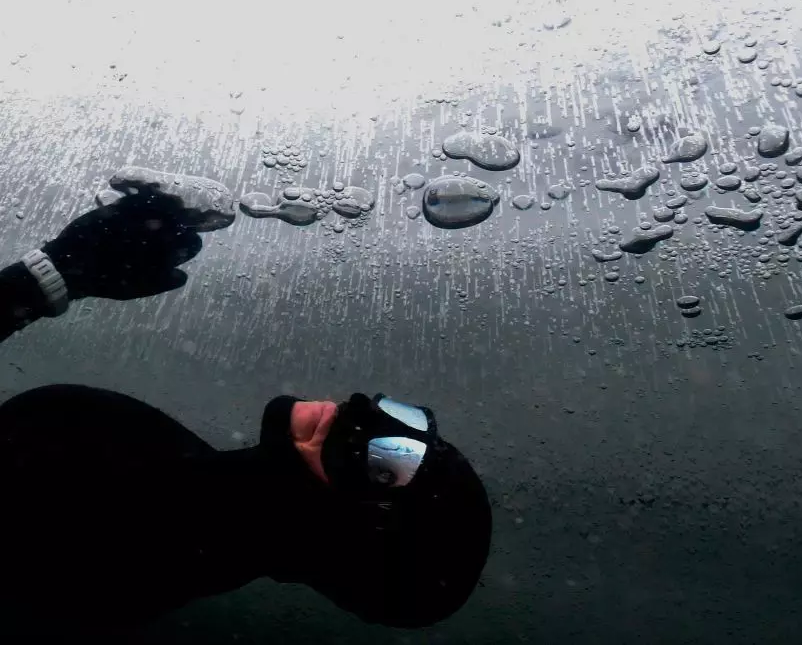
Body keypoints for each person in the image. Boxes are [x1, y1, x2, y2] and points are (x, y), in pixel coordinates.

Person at [0, 193, 492, 639]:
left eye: (393, 456)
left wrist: (45, 279)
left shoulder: (127, 544)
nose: (364, 405)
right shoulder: (184, 498)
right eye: (406, 419)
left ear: (346, 534)